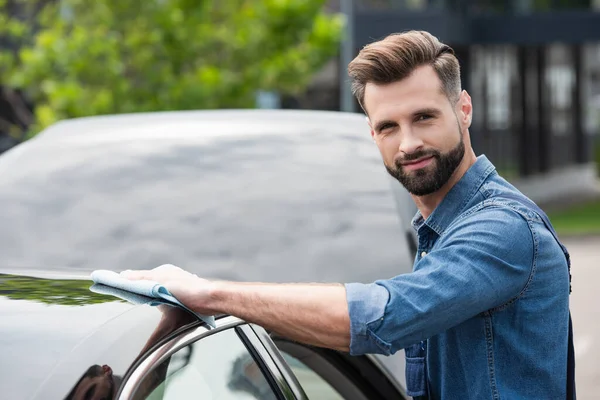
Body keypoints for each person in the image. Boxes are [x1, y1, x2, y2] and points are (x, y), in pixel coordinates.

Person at [121, 30, 573, 399]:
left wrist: (206, 294)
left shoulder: (503, 228)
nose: (408, 143)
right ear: (372, 134)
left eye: (424, 118)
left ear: (464, 110)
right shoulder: (441, 229)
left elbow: (382, 317)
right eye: (389, 127)